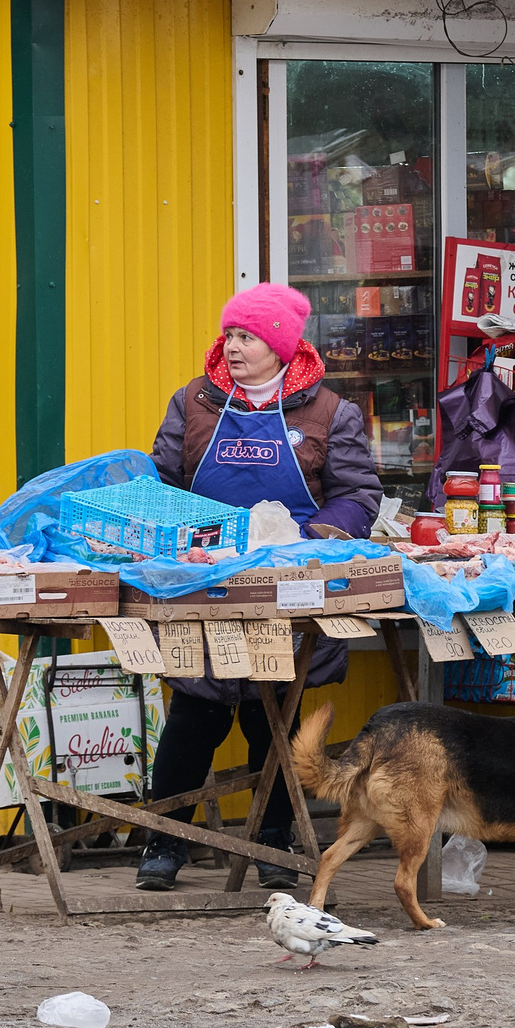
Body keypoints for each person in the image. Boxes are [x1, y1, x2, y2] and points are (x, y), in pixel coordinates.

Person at [136, 282, 382, 891]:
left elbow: (358, 494)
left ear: (280, 344)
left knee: (273, 716)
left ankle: (273, 843)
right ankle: (164, 843)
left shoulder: (330, 412)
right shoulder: (193, 402)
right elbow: (160, 484)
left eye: (246, 335)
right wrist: (179, 536)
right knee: (196, 713)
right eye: (230, 335)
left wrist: (312, 537)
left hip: (288, 588)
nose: (233, 346)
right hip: (206, 586)